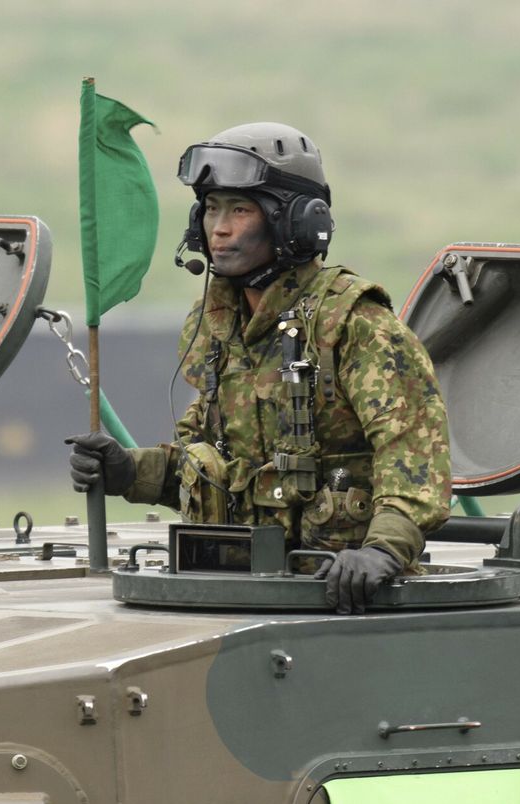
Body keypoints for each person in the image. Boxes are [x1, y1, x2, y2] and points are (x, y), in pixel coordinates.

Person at [68, 123, 450, 613]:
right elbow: (208, 462)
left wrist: (382, 551)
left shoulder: (354, 325)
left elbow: (416, 455)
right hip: (244, 587)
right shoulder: (216, 324)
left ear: (292, 221)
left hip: (343, 597)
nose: (218, 228)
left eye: (240, 210)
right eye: (210, 209)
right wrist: (129, 470)